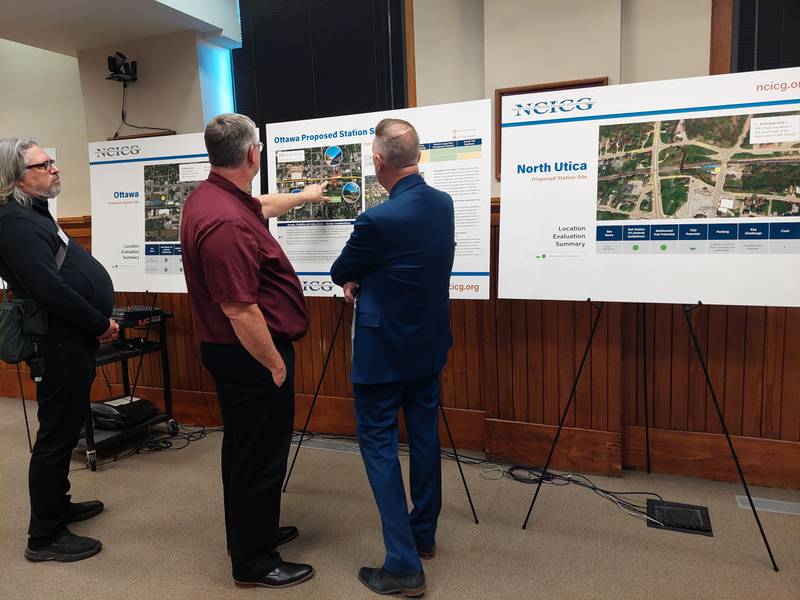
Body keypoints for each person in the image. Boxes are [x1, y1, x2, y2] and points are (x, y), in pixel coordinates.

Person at [180, 113, 327, 589]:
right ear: (252, 154)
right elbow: (241, 309)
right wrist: (274, 363)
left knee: (247, 449)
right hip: (250, 355)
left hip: (236, 352)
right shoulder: (225, 222)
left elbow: (262, 204)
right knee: (258, 457)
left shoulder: (217, 197)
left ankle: (254, 531)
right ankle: (254, 560)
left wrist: (304, 197)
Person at [331, 118, 455, 597]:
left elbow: (343, 269)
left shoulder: (377, 220)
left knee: (380, 450)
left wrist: (359, 277)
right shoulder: (442, 205)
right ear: (417, 157)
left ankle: (403, 567)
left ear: (379, 163)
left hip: (382, 356)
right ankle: (423, 537)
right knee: (424, 441)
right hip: (427, 350)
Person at [0, 138, 119, 562]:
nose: (54, 169)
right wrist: (99, 322)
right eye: (42, 164)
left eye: (52, 160)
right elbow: (48, 288)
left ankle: (58, 505)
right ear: (16, 176)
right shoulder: (13, 223)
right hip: (57, 340)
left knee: (65, 428)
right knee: (55, 436)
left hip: (70, 338)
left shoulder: (33, 214)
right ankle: (44, 537)